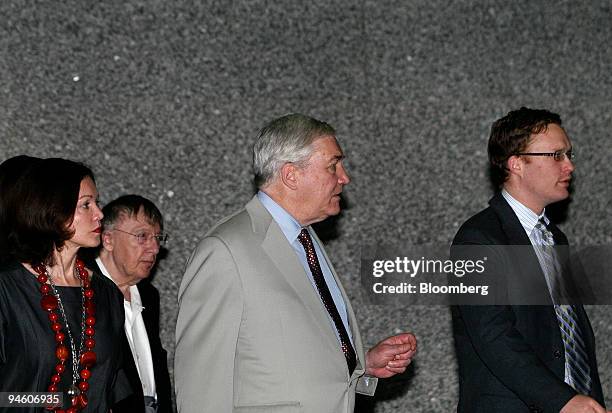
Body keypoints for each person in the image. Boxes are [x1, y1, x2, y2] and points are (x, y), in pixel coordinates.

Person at [175, 113, 417, 413]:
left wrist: (362, 365)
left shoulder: (307, 240)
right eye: (333, 165)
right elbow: (200, 387)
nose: (344, 177)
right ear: (291, 175)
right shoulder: (225, 250)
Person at [451, 108, 608, 413]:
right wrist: (562, 400)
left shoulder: (554, 238)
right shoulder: (477, 239)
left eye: (569, 154)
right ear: (517, 163)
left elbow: (569, 336)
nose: (570, 166)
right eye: (556, 155)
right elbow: (493, 335)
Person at [0, 157, 131, 412]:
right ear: (52, 210)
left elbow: (112, 389)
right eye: (86, 205)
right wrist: (52, 400)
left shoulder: (106, 294)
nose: (100, 214)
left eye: (97, 202)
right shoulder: (8, 289)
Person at [89, 195, 172, 413]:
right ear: (108, 240)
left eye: (158, 238)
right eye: (142, 236)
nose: (154, 248)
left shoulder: (149, 295)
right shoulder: (82, 291)